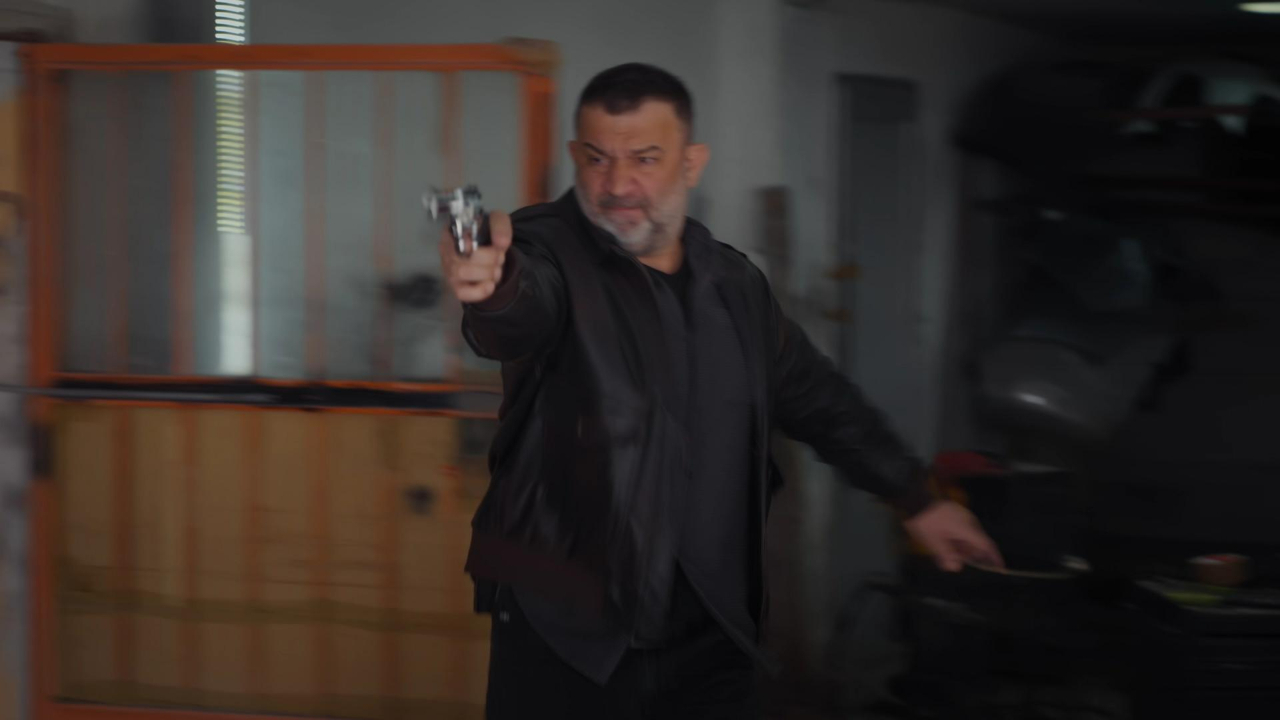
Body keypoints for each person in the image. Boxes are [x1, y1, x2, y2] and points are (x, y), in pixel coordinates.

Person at [439, 63, 1003, 719]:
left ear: (691, 163)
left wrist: (915, 497)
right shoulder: (547, 249)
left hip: (712, 626)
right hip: (570, 627)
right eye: (597, 158)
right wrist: (493, 287)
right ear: (575, 156)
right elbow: (520, 309)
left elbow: (818, 398)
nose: (617, 184)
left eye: (645, 158)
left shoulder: (734, 285)